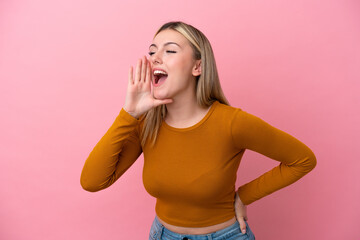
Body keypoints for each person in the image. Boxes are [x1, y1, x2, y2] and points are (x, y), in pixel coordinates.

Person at [80, 21, 317, 240]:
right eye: (152, 51)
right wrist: (129, 114)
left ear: (198, 67)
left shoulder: (233, 123)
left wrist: (243, 196)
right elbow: (92, 181)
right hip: (162, 234)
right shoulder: (144, 124)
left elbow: (303, 160)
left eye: (169, 51)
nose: (155, 58)